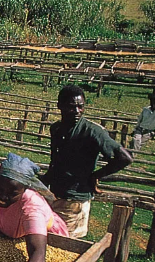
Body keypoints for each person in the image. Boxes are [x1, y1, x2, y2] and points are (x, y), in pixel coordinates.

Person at [40, 84, 133, 238]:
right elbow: (56, 160)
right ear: (60, 106)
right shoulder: (56, 129)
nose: (77, 111)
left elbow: (125, 158)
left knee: (65, 243)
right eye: (71, 107)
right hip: (55, 195)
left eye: (80, 106)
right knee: (48, 239)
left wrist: (96, 175)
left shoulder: (92, 132)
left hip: (75, 200)